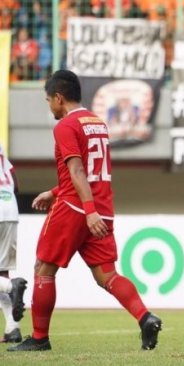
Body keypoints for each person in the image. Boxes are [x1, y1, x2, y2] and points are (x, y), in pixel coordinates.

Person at [8, 70, 162, 352]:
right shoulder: (97, 123)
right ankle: (145, 317)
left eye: (48, 101)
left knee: (44, 268)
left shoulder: (65, 126)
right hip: (102, 207)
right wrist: (54, 191)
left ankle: (39, 338)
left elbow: (78, 169)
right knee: (107, 275)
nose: (49, 107)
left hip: (75, 208)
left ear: (58, 97)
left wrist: (84, 209)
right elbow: (91, 170)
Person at [0, 143, 27, 343]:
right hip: (10, 208)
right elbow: (15, 183)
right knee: (1, 273)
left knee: (5, 282)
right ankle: (12, 328)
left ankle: (11, 286)